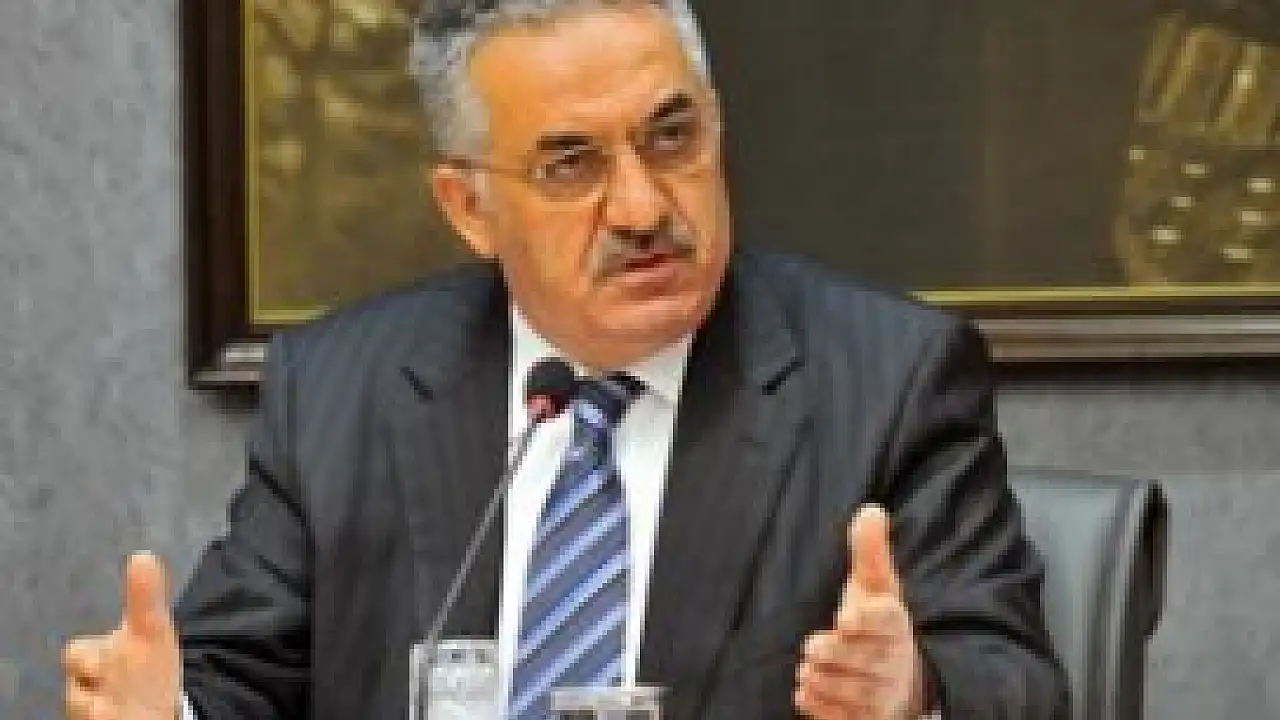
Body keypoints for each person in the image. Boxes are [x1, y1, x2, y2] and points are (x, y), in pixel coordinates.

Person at [62, 1, 1069, 718]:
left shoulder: (886, 380)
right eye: (570, 164)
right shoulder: (343, 389)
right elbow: (237, 678)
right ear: (467, 208)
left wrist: (912, 693)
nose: (639, 206)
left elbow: (1015, 682)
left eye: (671, 137)